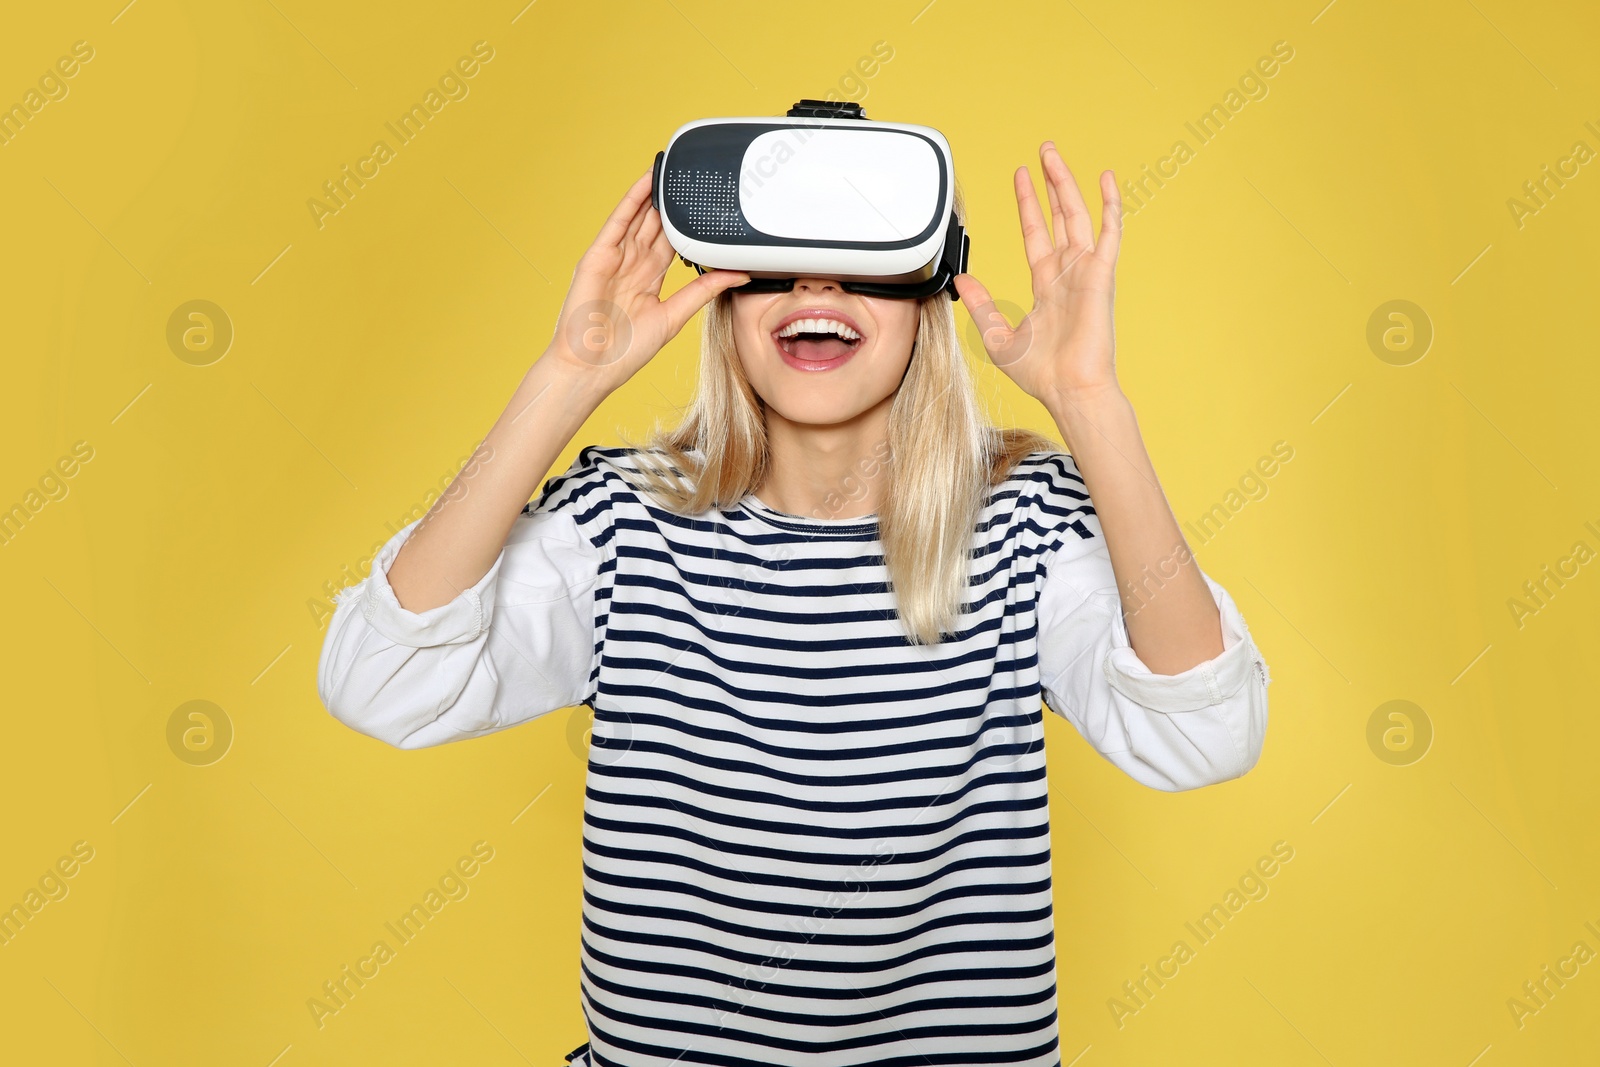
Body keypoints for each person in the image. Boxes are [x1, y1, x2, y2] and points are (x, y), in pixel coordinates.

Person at [317, 140, 1271, 1066]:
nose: (817, 290)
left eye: (862, 258)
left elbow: (1205, 734)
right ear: (724, 303)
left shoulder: (1022, 526)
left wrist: (1091, 404)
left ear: (929, 298)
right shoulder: (627, 521)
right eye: (776, 265)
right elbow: (386, 684)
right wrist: (566, 378)